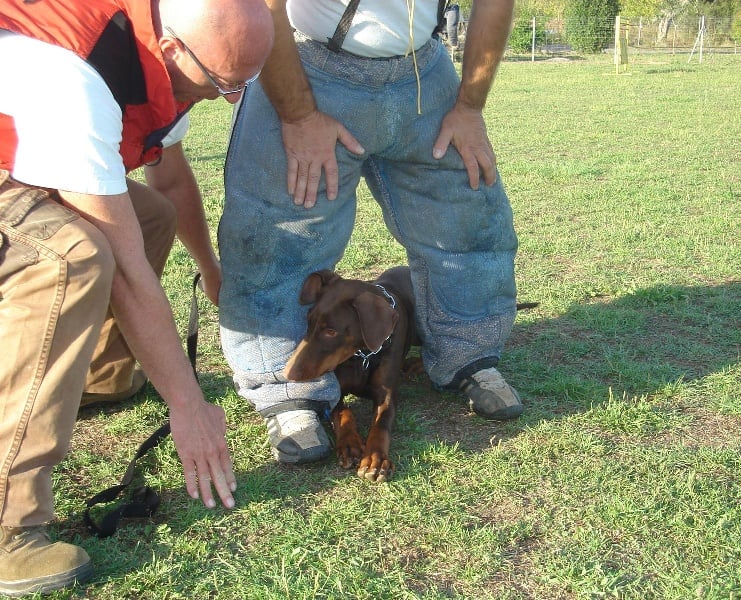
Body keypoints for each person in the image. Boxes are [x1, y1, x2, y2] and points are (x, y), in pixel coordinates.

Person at [0, 0, 274, 594]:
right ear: (172, 46)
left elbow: (168, 183)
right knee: (70, 256)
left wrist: (211, 267)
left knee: (151, 215)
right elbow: (124, 272)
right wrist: (188, 402)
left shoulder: (160, 51)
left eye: (242, 85)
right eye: (223, 83)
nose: (230, 100)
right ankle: (7, 522)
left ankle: (99, 375)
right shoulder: (72, 75)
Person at [219, 0, 520, 466]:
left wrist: (470, 105)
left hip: (424, 73)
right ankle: (287, 390)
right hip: (310, 66)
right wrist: (298, 115)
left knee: (468, 222)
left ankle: (468, 354)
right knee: (278, 234)